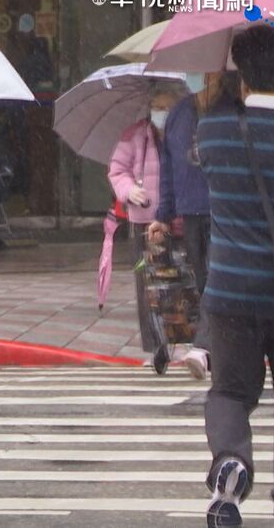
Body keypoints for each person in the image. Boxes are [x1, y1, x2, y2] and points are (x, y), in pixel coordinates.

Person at [195, 25, 274, 528]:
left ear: (242, 73)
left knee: (230, 392)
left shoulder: (214, 130)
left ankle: (232, 460)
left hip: (230, 290)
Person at [149, 71, 243, 380]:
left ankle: (202, 348)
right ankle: (220, 348)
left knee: (217, 280)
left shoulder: (233, 111)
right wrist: (163, 214)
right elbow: (169, 167)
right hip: (190, 212)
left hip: (224, 211)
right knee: (204, 283)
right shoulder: (179, 114)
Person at [108, 82, 186, 371]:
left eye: (168, 107)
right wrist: (129, 191)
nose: (162, 113)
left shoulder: (186, 133)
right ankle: (156, 347)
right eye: (158, 107)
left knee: (183, 281)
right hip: (145, 220)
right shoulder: (136, 135)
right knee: (150, 285)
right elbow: (117, 170)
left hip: (181, 220)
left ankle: (189, 341)